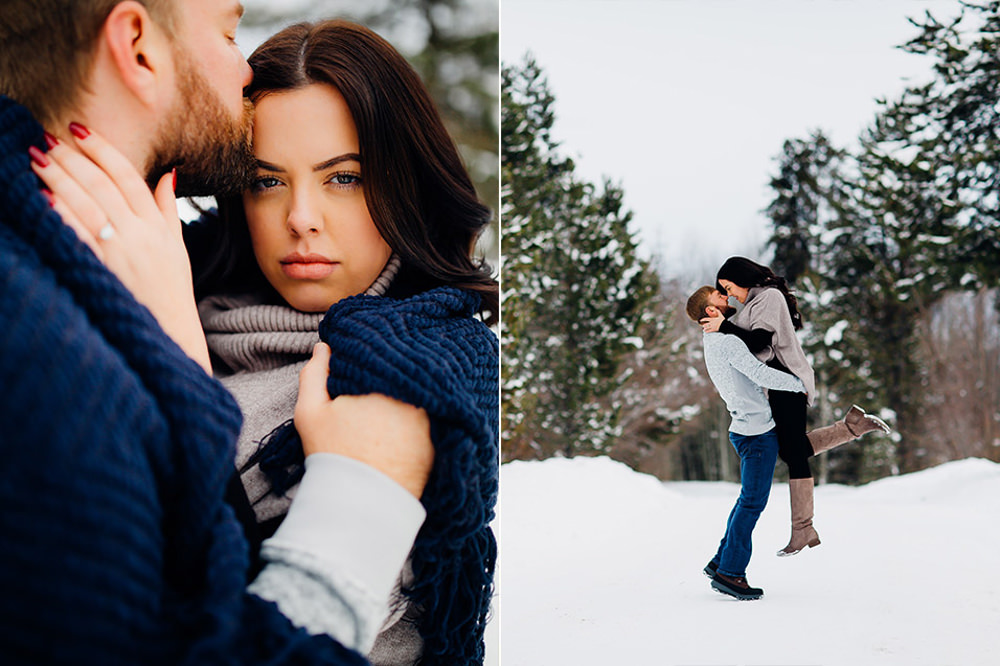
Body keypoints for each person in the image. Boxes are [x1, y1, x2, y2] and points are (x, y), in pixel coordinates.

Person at [35, 19, 499, 666]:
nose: (301, 217)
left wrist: (174, 357)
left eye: (344, 178)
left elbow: (259, 635)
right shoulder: (161, 293)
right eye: (266, 181)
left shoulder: (420, 374)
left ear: (409, 186)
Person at [702, 257, 890, 556]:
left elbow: (760, 340)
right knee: (791, 449)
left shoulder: (769, 297)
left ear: (742, 277)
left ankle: (803, 529)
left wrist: (725, 326)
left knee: (793, 454)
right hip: (775, 385)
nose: (731, 294)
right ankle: (852, 427)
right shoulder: (752, 303)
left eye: (729, 287)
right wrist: (722, 329)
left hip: (788, 381)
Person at [686, 287, 808, 600]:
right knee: (752, 504)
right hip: (756, 434)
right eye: (718, 296)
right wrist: (798, 385)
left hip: (744, 429)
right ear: (711, 312)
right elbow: (758, 372)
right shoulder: (725, 341)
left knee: (746, 501)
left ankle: (720, 562)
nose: (724, 296)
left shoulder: (714, 339)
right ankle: (731, 573)